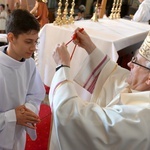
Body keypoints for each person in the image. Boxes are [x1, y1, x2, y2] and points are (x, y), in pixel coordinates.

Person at [49, 28, 150, 150]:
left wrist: (62, 67)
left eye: (135, 61)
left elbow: (71, 115)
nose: (129, 64)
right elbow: (114, 77)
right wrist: (89, 46)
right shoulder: (143, 91)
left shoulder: (138, 118)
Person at [0, 9, 45, 149]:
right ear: (11, 37)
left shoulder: (29, 63)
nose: (33, 48)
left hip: (18, 132)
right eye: (28, 41)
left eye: (35, 42)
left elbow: (36, 94)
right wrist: (13, 117)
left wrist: (28, 111)